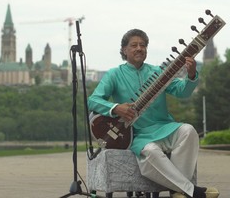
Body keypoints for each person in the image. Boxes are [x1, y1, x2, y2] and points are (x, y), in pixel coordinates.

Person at [88, 29, 219, 198]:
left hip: (164, 127)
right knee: (151, 152)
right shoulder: (115, 74)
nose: (139, 48)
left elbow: (182, 92)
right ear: (124, 50)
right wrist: (116, 108)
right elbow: (93, 100)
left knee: (189, 131)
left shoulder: (158, 73)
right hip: (138, 134)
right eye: (134, 45)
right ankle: (189, 191)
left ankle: (180, 191)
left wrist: (191, 74)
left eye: (143, 45)